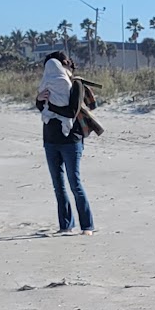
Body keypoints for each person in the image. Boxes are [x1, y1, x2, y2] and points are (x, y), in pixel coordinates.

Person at [36, 50, 95, 234]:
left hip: (71, 140)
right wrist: (39, 100)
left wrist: (51, 106)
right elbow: (42, 108)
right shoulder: (48, 83)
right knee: (58, 185)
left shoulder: (75, 84)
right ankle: (66, 225)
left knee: (74, 183)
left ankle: (87, 225)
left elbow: (71, 111)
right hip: (50, 140)